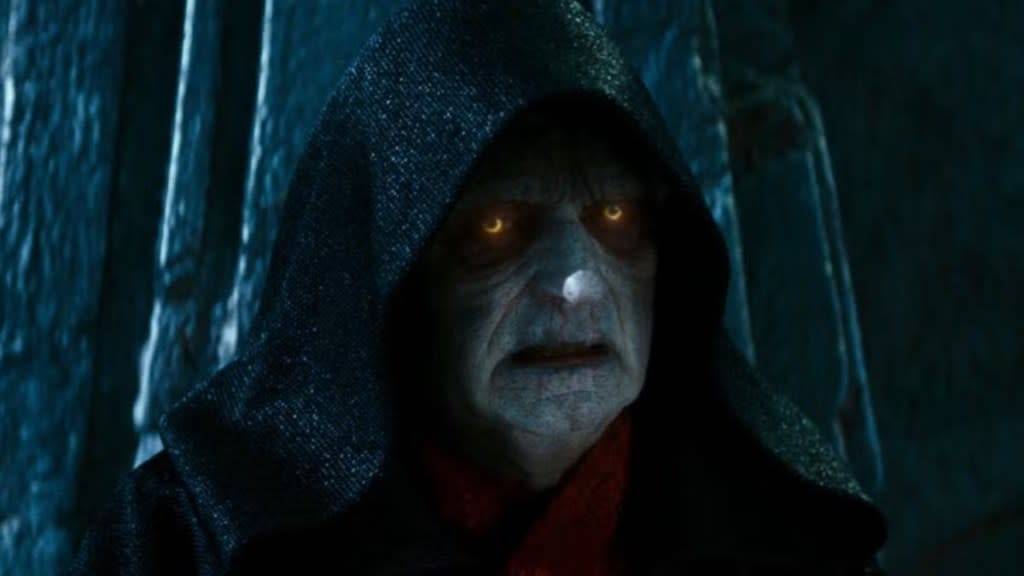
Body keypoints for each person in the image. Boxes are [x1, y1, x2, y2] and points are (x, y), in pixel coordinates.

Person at [71, 0, 886, 574]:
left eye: (615, 217)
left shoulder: (787, 547)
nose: (578, 288)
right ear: (396, 281)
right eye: (496, 229)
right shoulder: (189, 548)